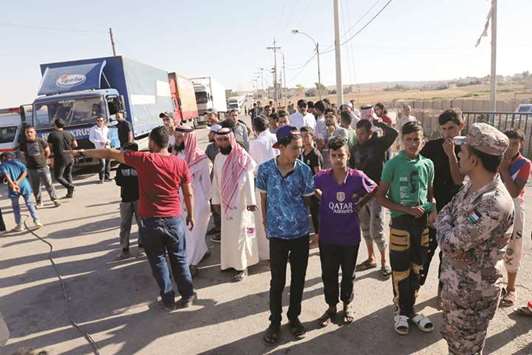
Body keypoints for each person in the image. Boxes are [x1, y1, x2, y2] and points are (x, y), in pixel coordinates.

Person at [75, 126, 196, 311]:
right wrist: (191, 214)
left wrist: (81, 151)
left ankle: (168, 299)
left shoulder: (144, 159)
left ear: (153, 143)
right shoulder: (180, 163)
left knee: (158, 261)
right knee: (179, 258)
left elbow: (108, 152)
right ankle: (187, 296)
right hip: (174, 219)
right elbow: (188, 193)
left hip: (150, 221)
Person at [435, 123, 514, 355]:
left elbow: (450, 244)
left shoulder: (494, 203)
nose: (459, 153)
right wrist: (446, 223)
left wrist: (444, 224)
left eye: (464, 150)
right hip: (457, 292)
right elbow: (445, 212)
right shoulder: (472, 187)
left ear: (475, 160)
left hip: (473, 300)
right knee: (455, 347)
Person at [375, 121, 436, 335]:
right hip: (401, 224)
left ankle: (411, 310)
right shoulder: (392, 164)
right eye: (408, 139)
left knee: (417, 268)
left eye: (416, 139)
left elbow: (429, 195)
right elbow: (380, 197)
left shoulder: (428, 164)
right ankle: (401, 311)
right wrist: (406, 209)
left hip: (422, 224)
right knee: (400, 269)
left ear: (422, 141)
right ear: (401, 140)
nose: (412, 143)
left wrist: (431, 209)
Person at [256, 126, 314, 344]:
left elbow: (309, 202)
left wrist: (314, 230)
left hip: (300, 234)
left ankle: (294, 318)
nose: (298, 152)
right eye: (294, 148)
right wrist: (265, 221)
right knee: (277, 281)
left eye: (300, 148)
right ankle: (275, 322)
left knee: (298, 279)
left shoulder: (304, 171)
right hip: (278, 235)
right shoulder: (264, 170)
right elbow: (264, 198)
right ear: (280, 147)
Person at [315, 136, 377, 327]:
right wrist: (322, 197)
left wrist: (361, 203)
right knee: (329, 273)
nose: (337, 159)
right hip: (327, 237)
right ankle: (331, 307)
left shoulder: (357, 177)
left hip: (350, 237)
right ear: (329, 157)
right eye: (334, 155)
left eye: (341, 155)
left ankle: (346, 305)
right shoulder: (322, 177)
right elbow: (308, 188)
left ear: (348, 156)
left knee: (348, 273)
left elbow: (375, 188)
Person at [419, 109, 464, 289]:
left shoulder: (466, 148)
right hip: (433, 206)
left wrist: (451, 154)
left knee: (447, 253)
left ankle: (442, 289)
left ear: (461, 125)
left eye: (451, 128)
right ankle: (415, 289)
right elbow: (420, 175)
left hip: (454, 208)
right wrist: (429, 205)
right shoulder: (431, 147)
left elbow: (458, 179)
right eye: (443, 129)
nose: (447, 133)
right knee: (425, 250)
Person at [351, 119, 398, 277]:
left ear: (370, 132)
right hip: (360, 195)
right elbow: (352, 170)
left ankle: (385, 262)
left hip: (377, 193)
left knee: (376, 229)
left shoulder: (379, 144)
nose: (360, 136)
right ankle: (371, 257)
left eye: (363, 133)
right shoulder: (355, 148)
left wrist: (380, 123)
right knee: (365, 228)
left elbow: (394, 133)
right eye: (358, 134)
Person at [211, 128, 259, 281]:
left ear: (231, 139)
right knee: (229, 235)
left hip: (241, 202)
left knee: (241, 234)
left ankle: (242, 267)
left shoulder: (241, 156)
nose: (223, 143)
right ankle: (230, 263)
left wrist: (251, 201)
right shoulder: (218, 158)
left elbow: (249, 180)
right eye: (220, 140)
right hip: (226, 203)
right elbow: (216, 181)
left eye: (225, 139)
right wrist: (216, 201)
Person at [174, 126, 212, 277]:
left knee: (194, 230)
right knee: (188, 232)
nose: (177, 139)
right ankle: (200, 252)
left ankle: (191, 263)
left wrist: (208, 200)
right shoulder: (175, 155)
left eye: (180, 137)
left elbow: (206, 183)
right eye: (176, 136)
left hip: (197, 199)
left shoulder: (200, 158)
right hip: (179, 198)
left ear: (188, 138)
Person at [499, 129, 531, 307]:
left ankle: (511, 288)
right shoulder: (496, 159)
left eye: (514, 144)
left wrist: (503, 170)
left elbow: (514, 191)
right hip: (495, 207)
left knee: (514, 246)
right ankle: (494, 285)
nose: (510, 148)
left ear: (521, 144)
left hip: (515, 208)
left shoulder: (524, 164)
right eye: (507, 144)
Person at [249, 115, 278, 260]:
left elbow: (253, 166)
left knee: (265, 216)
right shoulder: (276, 138)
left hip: (263, 183)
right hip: (280, 180)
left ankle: (268, 252)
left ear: (255, 128)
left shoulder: (255, 143)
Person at [19, 125, 60, 208]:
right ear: (25, 133)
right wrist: (27, 163)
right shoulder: (23, 143)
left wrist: (44, 160)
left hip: (43, 167)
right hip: (31, 169)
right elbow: (22, 155)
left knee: (49, 184)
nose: (29, 134)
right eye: (27, 132)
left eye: (31, 132)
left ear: (35, 132)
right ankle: (39, 202)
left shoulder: (41, 141)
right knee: (35, 187)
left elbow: (47, 151)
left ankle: (55, 199)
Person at [0, 152, 42, 231]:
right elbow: (25, 172)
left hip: (13, 189)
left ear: (3, 158)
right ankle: (37, 221)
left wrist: (13, 184)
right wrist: (18, 182)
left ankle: (20, 225)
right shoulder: (18, 163)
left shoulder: (3, 165)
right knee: (30, 204)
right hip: (24, 186)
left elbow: (6, 174)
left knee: (16, 207)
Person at [114, 142, 142, 259]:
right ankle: (124, 249)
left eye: (127, 152)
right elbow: (118, 181)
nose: (125, 154)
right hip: (125, 200)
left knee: (143, 224)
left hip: (140, 199)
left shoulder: (141, 165)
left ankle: (143, 247)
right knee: (125, 225)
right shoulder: (121, 166)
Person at [300, 126, 324, 241]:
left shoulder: (315, 154)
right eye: (302, 136)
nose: (304, 139)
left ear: (312, 137)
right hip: (305, 189)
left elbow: (318, 175)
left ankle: (320, 236)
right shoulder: (302, 153)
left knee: (316, 213)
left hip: (314, 189)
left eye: (306, 136)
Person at [47, 119, 77, 199]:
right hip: (70, 157)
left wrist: (51, 158)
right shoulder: (69, 133)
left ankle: (70, 186)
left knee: (58, 176)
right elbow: (75, 144)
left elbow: (50, 148)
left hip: (60, 157)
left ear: (55, 125)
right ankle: (70, 193)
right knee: (68, 174)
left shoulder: (52, 135)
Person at [205, 124, 222, 242]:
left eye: (211, 132)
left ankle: (223, 231)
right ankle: (218, 227)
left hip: (223, 180)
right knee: (214, 204)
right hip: (212, 180)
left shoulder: (225, 145)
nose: (208, 134)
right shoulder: (209, 148)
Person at [89, 116, 111, 183]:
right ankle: (101, 178)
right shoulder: (93, 129)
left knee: (107, 162)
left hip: (107, 147)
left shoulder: (106, 128)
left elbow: (109, 137)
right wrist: (99, 142)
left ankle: (107, 177)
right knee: (102, 163)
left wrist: (108, 141)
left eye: (101, 120)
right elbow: (91, 138)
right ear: (96, 121)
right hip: (99, 148)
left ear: (103, 121)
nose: (99, 122)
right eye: (98, 120)